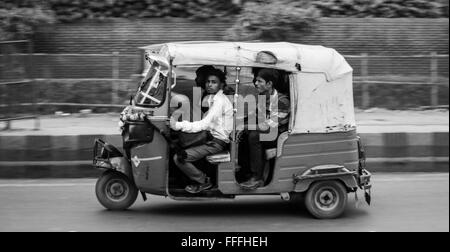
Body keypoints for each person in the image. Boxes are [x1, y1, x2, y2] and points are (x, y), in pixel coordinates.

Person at [170, 68, 233, 193]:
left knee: (179, 158)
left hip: (216, 143)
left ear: (221, 85)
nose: (209, 84)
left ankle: (204, 181)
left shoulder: (219, 101)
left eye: (214, 82)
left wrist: (177, 125)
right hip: (209, 138)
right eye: (208, 82)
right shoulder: (211, 98)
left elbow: (204, 124)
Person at [240, 68, 290, 189]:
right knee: (243, 134)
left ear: (269, 84)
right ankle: (245, 171)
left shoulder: (282, 101)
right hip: (270, 131)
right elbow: (257, 117)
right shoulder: (263, 97)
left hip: (281, 135)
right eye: (255, 81)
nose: (256, 84)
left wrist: (244, 126)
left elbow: (267, 126)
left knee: (254, 135)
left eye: (259, 81)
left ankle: (257, 178)